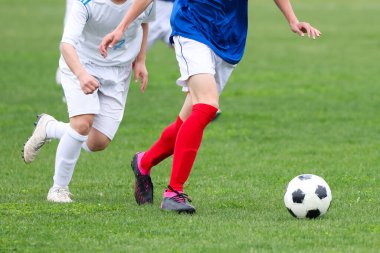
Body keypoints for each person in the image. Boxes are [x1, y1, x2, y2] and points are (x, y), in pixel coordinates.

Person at [100, 0, 321, 214]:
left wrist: (292, 19)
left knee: (187, 121)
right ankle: (174, 192)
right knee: (206, 106)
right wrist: (122, 27)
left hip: (228, 37)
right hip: (192, 26)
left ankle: (144, 162)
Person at [22, 0, 154, 203]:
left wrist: (141, 59)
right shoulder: (86, 3)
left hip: (119, 69)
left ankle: (49, 128)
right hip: (82, 63)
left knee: (97, 142)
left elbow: (144, 20)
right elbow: (67, 45)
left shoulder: (143, 2)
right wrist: (82, 75)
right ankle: (58, 189)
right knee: (83, 122)